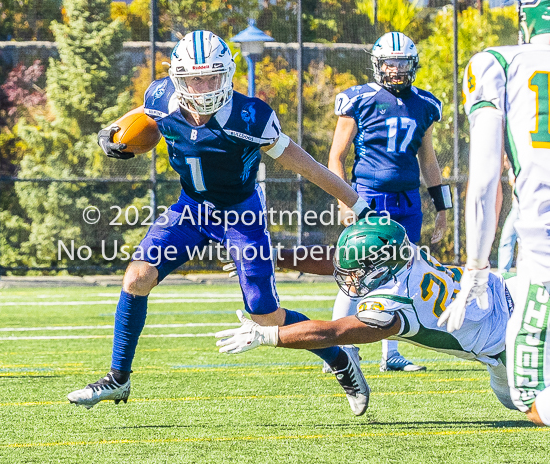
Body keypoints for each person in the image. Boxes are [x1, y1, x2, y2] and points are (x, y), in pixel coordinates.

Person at [67, 30, 373, 409]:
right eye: (196, 77)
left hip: (240, 214)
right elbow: (144, 115)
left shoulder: (251, 116)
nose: (206, 85)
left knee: (267, 317)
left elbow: (305, 165)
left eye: (214, 75)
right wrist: (111, 130)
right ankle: (118, 378)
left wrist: (356, 203)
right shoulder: (161, 95)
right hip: (190, 208)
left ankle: (340, 360)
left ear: (228, 73)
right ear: (178, 78)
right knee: (136, 277)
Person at [215, 219, 518, 417]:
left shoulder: (394, 302)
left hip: (506, 343)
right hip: (509, 287)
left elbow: (333, 333)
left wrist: (268, 336)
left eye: (357, 271)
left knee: (521, 402)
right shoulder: (403, 252)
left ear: (379, 266)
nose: (351, 277)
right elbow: (335, 258)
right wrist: (274, 257)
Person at [437, 1, 550, 427]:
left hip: (544, 255)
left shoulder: (498, 62)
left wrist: (476, 270)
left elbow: (485, 183)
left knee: (529, 397)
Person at [327, 32, 453, 373]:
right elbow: (336, 156)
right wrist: (344, 200)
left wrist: (443, 209)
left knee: (402, 274)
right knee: (356, 272)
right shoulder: (358, 99)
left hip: (408, 200)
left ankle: (391, 354)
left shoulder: (425, 104)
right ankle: (342, 349)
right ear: (377, 64)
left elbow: (428, 162)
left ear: (412, 65)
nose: (395, 70)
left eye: (402, 63)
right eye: (389, 63)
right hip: (367, 196)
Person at [497, 160, 519, 274]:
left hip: (521, 209)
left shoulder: (519, 164)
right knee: (506, 239)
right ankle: (503, 273)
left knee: (520, 242)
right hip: (516, 208)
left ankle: (523, 273)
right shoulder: (511, 170)